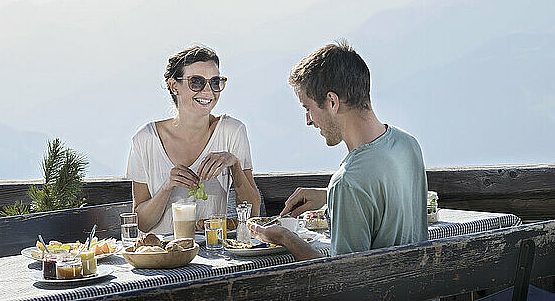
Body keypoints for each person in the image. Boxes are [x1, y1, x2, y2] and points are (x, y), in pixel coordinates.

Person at [249, 41, 428, 260]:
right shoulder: (407, 145)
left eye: (308, 108)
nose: (308, 121)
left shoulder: (348, 182)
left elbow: (344, 282)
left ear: (332, 102)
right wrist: (328, 197)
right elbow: (386, 200)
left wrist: (287, 238)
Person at [126, 46, 261, 234]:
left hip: (214, 253)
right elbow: (142, 223)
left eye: (215, 82)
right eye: (196, 82)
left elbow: (252, 211)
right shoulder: (145, 139)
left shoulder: (232, 131)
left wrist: (235, 164)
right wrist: (167, 187)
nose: (208, 91)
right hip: (162, 256)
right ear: (174, 86)